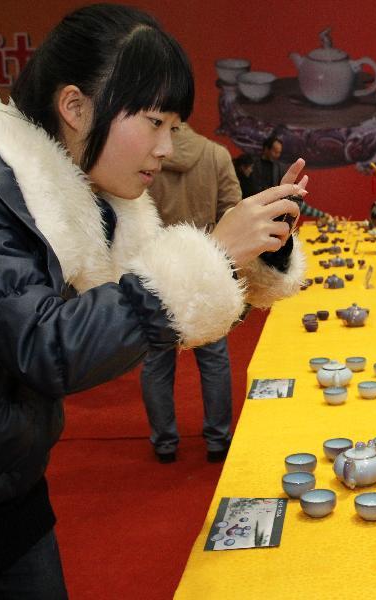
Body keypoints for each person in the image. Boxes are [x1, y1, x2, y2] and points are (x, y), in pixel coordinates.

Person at [0, 5, 309, 596]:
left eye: (174, 126)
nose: (166, 148)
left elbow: (161, 298)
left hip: (17, 491)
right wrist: (213, 250)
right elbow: (49, 345)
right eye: (154, 122)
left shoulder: (101, 206)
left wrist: (257, 250)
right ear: (75, 107)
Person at [142, 123, 240, 464]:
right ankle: (218, 439)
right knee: (213, 359)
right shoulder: (215, 154)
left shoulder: (142, 158)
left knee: (157, 361)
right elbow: (234, 210)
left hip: (155, 274)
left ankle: (164, 442)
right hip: (207, 271)